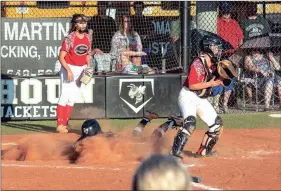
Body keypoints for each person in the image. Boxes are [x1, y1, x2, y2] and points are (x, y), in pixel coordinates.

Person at [169, 35, 237, 159]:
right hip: (188, 96)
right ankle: (174, 153)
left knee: (217, 125)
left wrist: (224, 77)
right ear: (208, 48)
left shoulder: (215, 63)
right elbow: (192, 85)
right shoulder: (198, 63)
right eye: (215, 47)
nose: (218, 50)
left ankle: (204, 151)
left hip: (200, 98)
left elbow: (222, 80)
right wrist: (211, 83)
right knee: (190, 124)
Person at [56, 14, 93, 133]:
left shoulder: (88, 37)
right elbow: (61, 57)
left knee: (72, 98)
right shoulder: (69, 38)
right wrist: (68, 70)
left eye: (84, 23)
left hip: (81, 69)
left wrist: (88, 68)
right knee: (64, 96)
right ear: (75, 25)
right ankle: (59, 124)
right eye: (80, 23)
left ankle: (65, 124)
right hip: (69, 67)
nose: (83, 25)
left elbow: (87, 55)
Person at [215, 2, 244, 113]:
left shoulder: (234, 23)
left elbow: (240, 39)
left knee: (229, 78)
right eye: (225, 12)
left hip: (232, 55)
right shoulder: (217, 22)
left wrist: (238, 53)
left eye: (228, 12)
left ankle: (225, 104)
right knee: (219, 77)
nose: (227, 15)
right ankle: (217, 103)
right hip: (221, 54)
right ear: (221, 12)